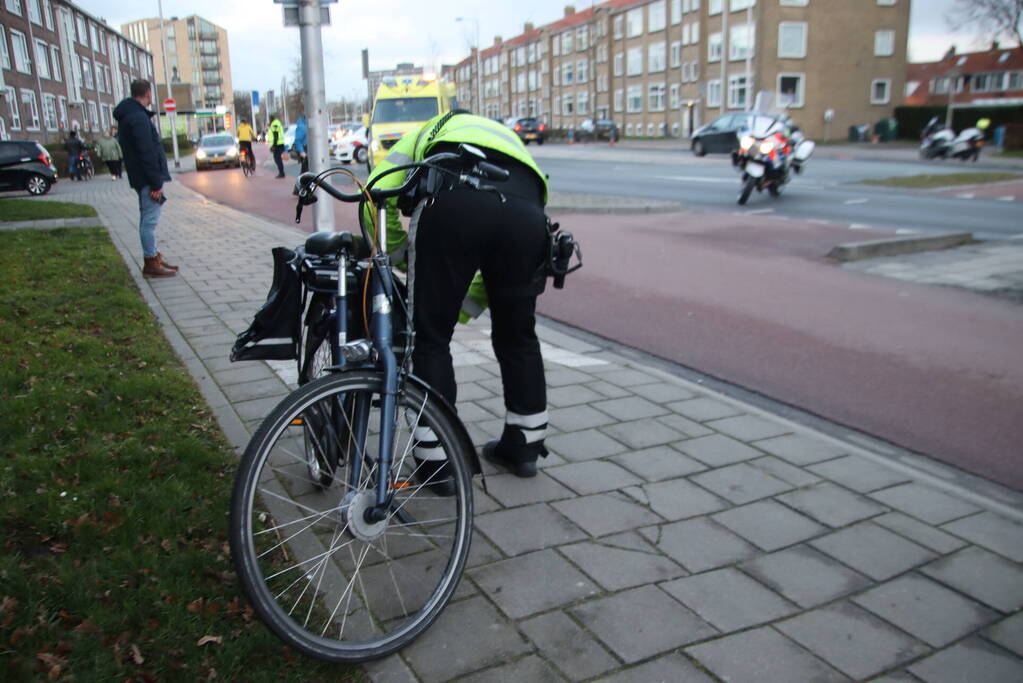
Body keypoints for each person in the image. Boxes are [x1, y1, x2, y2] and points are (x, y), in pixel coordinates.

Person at [366, 112, 550, 491]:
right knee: (518, 334)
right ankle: (524, 447)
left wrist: (400, 255)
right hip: (528, 213)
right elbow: (502, 231)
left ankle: (437, 463)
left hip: (454, 199)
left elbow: (374, 193)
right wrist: (469, 304)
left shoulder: (427, 130)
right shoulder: (506, 137)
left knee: (429, 339)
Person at [114, 79, 176, 279]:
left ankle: (153, 256)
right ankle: (151, 262)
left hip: (141, 177)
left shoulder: (129, 115)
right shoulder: (138, 118)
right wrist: (156, 183)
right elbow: (147, 152)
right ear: (148, 93)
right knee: (150, 221)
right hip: (147, 179)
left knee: (146, 218)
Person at [268, 113, 285, 178]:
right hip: (279, 143)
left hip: (277, 144)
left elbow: (275, 135)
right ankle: (281, 172)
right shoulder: (277, 123)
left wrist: (273, 146)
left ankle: (281, 173)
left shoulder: (274, 124)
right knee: (278, 159)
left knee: (277, 159)